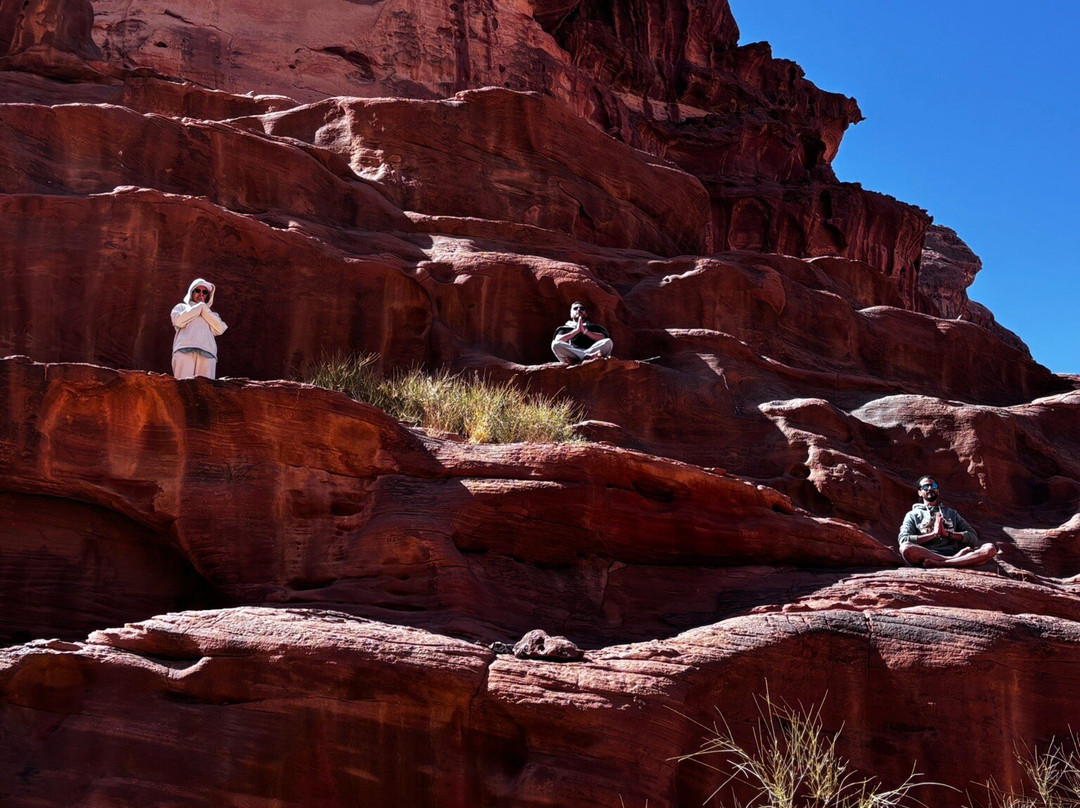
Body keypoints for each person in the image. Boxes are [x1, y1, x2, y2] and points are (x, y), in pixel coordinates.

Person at [898, 475, 998, 567]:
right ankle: (952, 561)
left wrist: (948, 534)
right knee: (905, 548)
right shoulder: (912, 515)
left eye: (933, 485)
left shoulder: (951, 513)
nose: (930, 488)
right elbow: (903, 539)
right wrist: (933, 534)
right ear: (920, 492)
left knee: (990, 549)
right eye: (925, 487)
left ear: (938, 490)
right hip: (927, 554)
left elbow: (973, 537)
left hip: (952, 552)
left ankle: (942, 563)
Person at [171, 278, 227, 379]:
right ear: (191, 292)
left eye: (204, 292)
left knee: (205, 390)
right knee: (182, 386)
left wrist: (203, 308)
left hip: (207, 353)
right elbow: (178, 321)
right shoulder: (181, 308)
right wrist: (200, 307)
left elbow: (220, 328)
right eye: (197, 290)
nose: (201, 294)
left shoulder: (213, 314)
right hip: (184, 349)